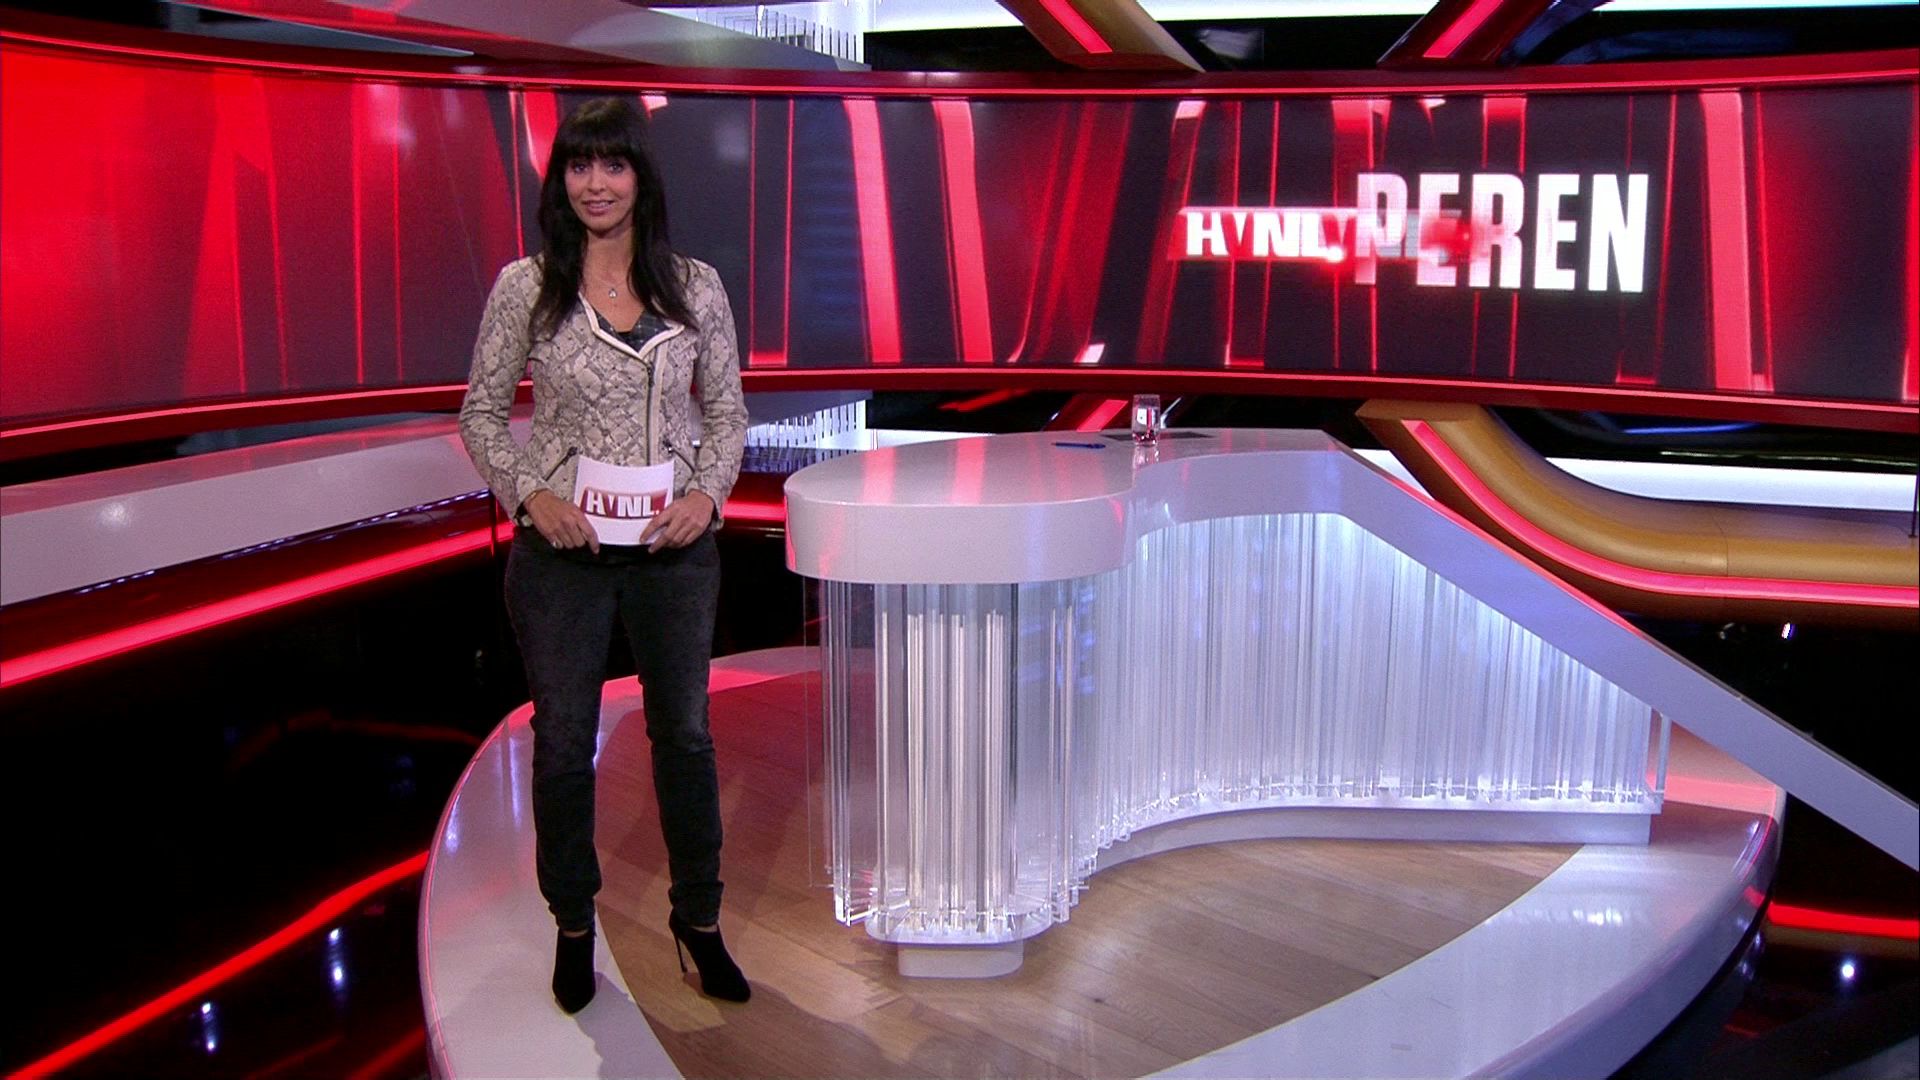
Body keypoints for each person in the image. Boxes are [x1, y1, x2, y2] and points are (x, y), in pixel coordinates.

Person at [459, 96, 750, 1013]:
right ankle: (574, 923)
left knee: (686, 737)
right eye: (579, 166)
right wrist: (531, 496)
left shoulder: (695, 285)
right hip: (562, 555)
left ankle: (698, 919)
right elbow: (479, 414)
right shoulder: (527, 286)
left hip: (674, 551)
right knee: (561, 745)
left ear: (640, 177)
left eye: (612, 164)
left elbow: (728, 413)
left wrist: (706, 495)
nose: (595, 183)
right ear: (561, 181)